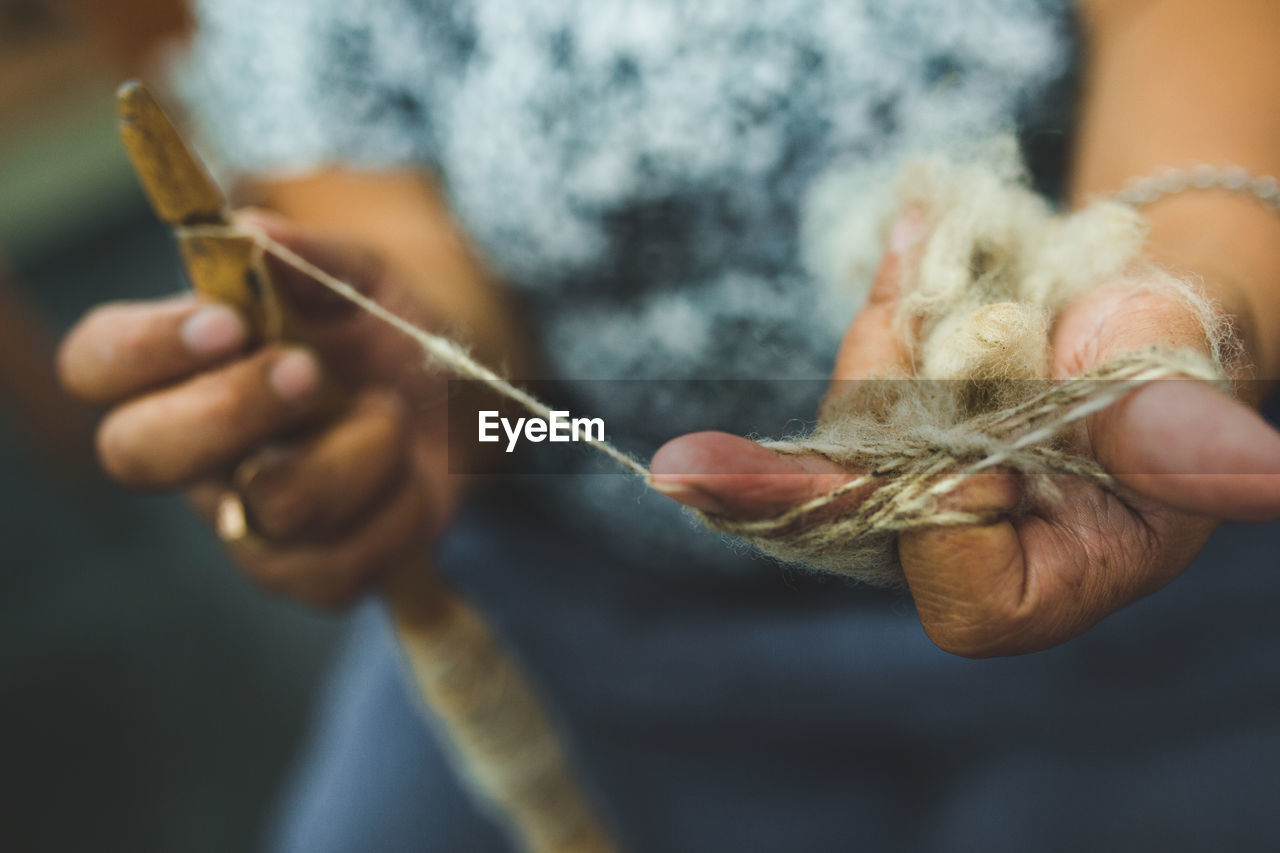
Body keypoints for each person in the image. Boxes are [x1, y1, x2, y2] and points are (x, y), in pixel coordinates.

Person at [57, 1, 1280, 850]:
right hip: (582, 613)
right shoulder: (551, 448)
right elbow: (493, 410)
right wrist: (414, 414)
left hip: (1145, 639)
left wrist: (1169, 306)